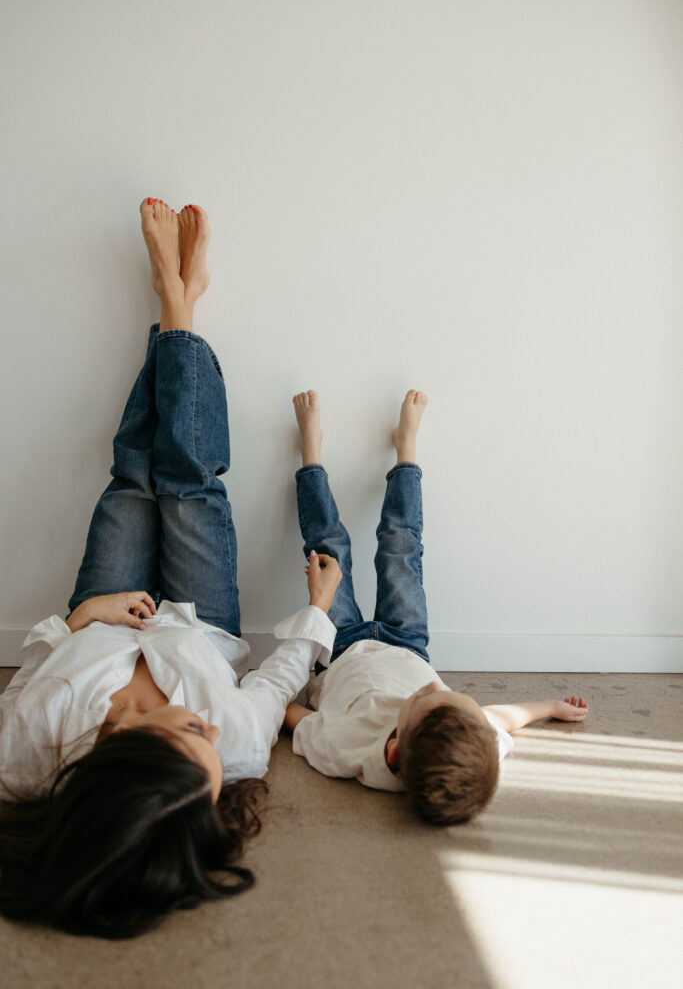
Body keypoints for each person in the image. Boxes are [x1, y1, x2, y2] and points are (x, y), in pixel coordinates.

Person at [0, 199, 341, 939]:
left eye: (190, 739)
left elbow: (33, 666)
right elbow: (271, 686)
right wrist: (317, 613)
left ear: (118, 749)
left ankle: (179, 306)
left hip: (101, 617)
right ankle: (177, 300)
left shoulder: (25, 747)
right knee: (187, 481)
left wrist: (83, 618)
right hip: (204, 627)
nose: (216, 739)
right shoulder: (236, 748)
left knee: (130, 478)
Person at [283, 389, 589, 825]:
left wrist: (250, 694)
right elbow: (500, 717)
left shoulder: (346, 749)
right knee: (401, 548)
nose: (432, 689)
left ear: (392, 749)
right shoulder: (466, 736)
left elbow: (290, 715)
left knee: (327, 550)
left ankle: (310, 453)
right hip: (407, 643)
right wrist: (550, 708)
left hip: (340, 652)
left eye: (426, 701)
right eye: (451, 697)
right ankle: (405, 449)